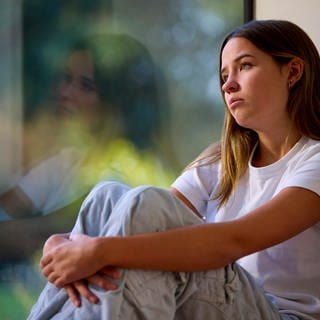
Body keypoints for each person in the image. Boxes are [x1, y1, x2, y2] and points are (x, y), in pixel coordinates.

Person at [28, 19, 320, 320]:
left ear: (293, 72)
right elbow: (151, 223)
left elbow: (236, 240)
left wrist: (99, 251)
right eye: (224, 74)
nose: (228, 84)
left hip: (278, 314)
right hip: (221, 300)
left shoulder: (315, 161)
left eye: (244, 66)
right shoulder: (221, 162)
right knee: (106, 197)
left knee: (142, 204)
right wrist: (63, 243)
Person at [0, 33, 174, 262]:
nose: (64, 92)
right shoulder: (68, 160)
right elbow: (10, 207)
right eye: (65, 79)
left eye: (86, 85)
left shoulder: (127, 167)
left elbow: (48, 233)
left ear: (117, 98)